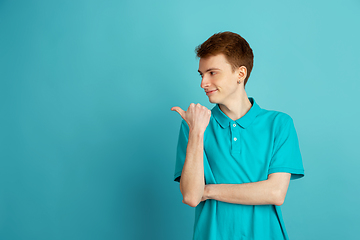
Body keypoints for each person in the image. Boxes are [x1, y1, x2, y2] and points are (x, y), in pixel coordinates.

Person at [171, 31, 305, 240]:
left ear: (240, 74)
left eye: (212, 73)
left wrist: (208, 191)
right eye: (201, 74)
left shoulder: (279, 124)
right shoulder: (193, 125)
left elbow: (275, 193)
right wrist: (196, 132)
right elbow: (190, 196)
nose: (203, 83)